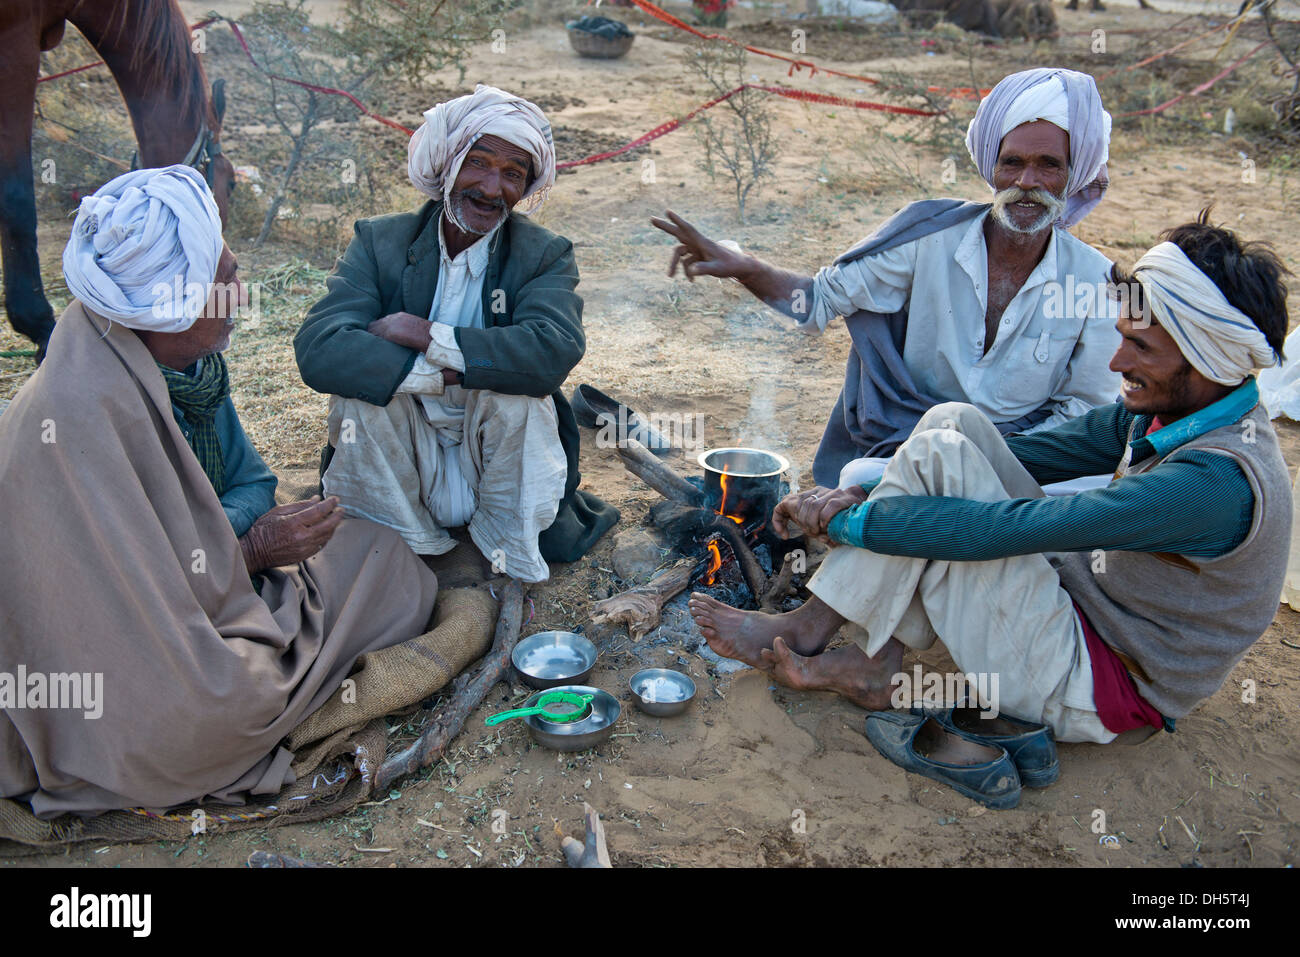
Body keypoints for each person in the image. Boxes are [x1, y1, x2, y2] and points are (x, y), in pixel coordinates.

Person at [689, 212, 1290, 773]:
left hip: (1099, 687)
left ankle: (817, 631)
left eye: (1142, 349)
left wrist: (847, 521)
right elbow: (1019, 456)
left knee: (947, 474)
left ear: (1207, 358)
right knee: (953, 425)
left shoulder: (1215, 483)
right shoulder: (1175, 413)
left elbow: (1008, 529)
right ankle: (861, 656)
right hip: (1078, 616)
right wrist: (865, 487)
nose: (1116, 362)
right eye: (1124, 337)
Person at [0, 166, 440, 817]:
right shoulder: (83, 412)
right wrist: (254, 547)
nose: (241, 293)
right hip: (127, 691)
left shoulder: (179, 365)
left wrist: (236, 533)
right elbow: (135, 605)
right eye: (226, 279)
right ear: (170, 303)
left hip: (209, 593)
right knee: (211, 714)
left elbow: (253, 481)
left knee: (382, 553)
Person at [653, 68, 1120, 493]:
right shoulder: (929, 239)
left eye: (1048, 165)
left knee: (1094, 485)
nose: (1027, 181)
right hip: (912, 446)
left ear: (1073, 175)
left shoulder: (1095, 280)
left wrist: (990, 462)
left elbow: (1083, 410)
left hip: (1022, 456)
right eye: (1012, 163)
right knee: (861, 478)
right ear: (992, 169)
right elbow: (816, 302)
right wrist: (746, 267)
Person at [295, 85, 617, 584]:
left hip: (494, 460)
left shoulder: (543, 253)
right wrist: (442, 375)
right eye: (479, 163)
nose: (492, 188)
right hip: (405, 457)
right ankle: (405, 548)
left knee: (524, 400)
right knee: (356, 400)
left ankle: (506, 546)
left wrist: (422, 333)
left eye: (513, 174)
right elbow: (320, 349)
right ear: (447, 165)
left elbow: (552, 351)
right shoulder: (381, 241)